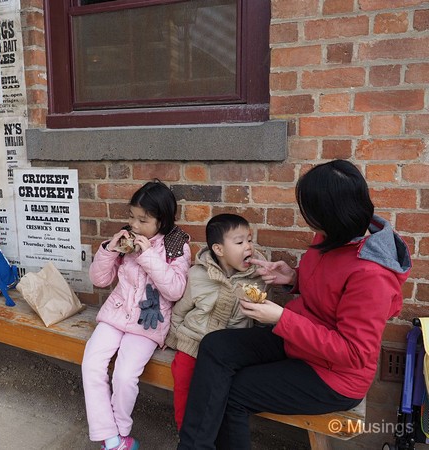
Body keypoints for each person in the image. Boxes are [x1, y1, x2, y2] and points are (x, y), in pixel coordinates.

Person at [177, 159, 412, 450]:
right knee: (215, 346)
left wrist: (280, 319)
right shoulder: (332, 236)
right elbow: (330, 290)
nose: (305, 217)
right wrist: (293, 278)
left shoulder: (372, 275)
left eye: (309, 211)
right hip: (300, 340)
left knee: (233, 393)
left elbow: (354, 353)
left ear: (330, 214)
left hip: (334, 376)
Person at [83, 180, 191, 450]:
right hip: (116, 314)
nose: (135, 225)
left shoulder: (177, 245)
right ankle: (111, 439)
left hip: (148, 322)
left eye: (143, 220)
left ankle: (119, 433)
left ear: (162, 220)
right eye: (132, 217)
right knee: (92, 364)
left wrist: (148, 255)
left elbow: (176, 290)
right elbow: (99, 279)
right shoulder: (124, 237)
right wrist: (109, 250)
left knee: (124, 375)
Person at [165, 213, 268, 431]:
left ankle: (217, 431)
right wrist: (173, 338)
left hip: (233, 349)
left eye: (249, 240)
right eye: (239, 242)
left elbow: (263, 321)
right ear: (219, 249)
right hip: (194, 342)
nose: (248, 247)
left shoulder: (258, 278)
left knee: (225, 390)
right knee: (183, 378)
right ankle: (186, 432)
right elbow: (180, 311)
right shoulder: (198, 275)